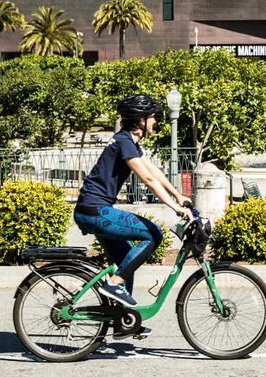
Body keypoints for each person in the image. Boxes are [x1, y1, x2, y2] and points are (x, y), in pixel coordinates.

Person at [73, 94, 193, 317]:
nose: (155, 121)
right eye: (152, 117)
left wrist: (179, 195)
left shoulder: (128, 142)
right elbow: (146, 179)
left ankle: (122, 320)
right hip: (94, 210)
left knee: (127, 258)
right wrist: (174, 208)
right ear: (140, 120)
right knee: (153, 235)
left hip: (94, 209)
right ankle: (114, 284)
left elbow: (153, 171)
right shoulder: (124, 142)